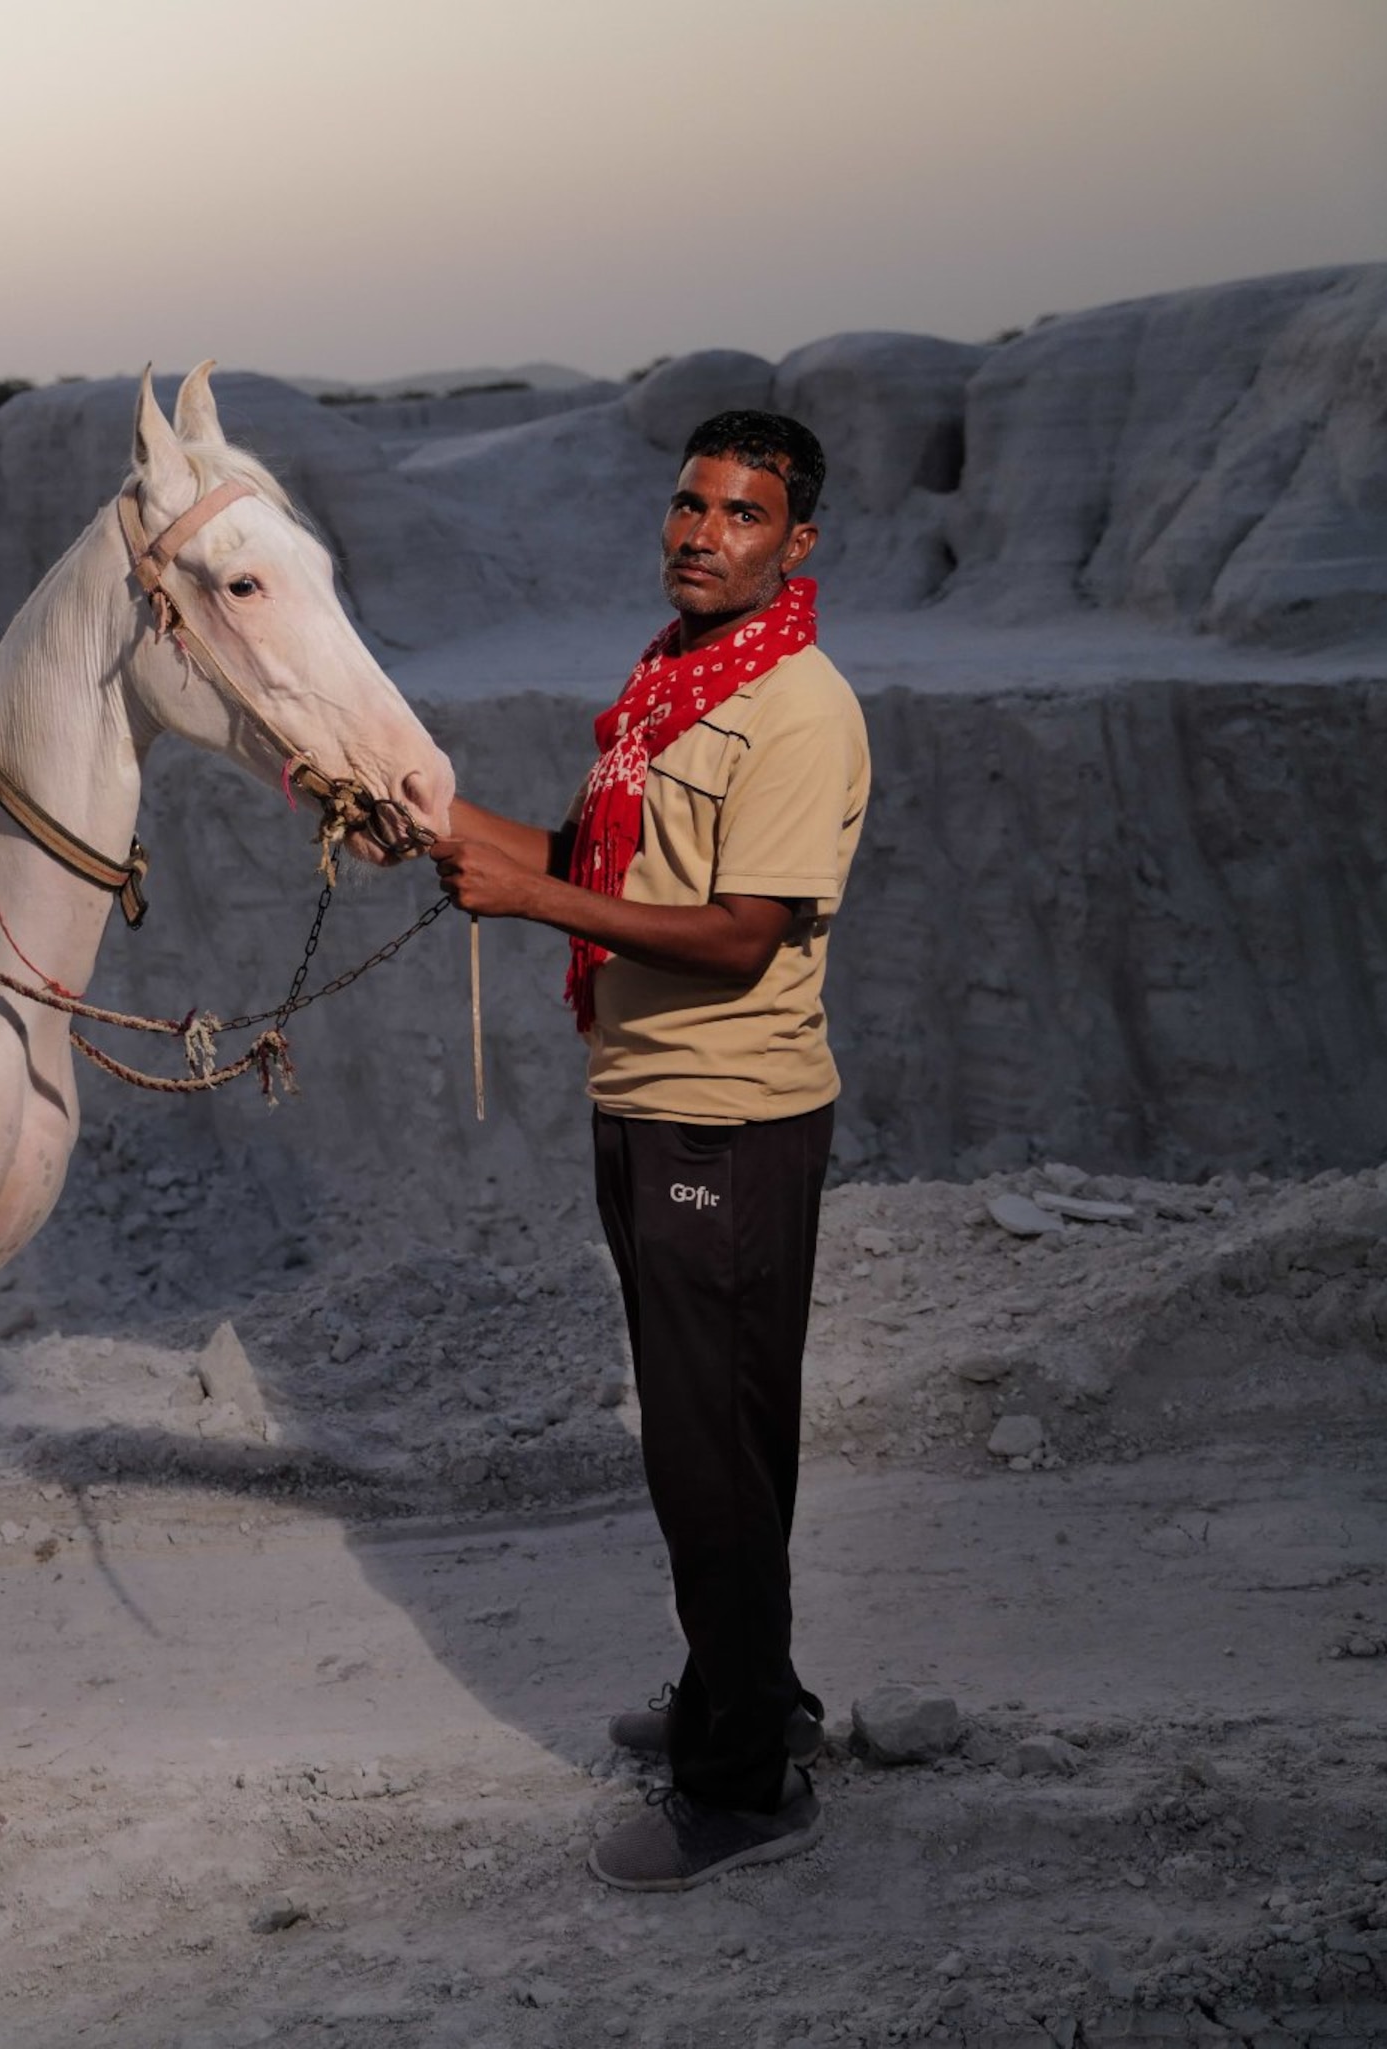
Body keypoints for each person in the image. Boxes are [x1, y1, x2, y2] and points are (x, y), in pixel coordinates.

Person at [426, 410, 870, 1891]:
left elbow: (744, 937)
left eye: (742, 516)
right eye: (689, 504)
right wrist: (427, 818)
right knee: (720, 1438)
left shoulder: (798, 709)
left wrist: (531, 906)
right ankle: (754, 1695)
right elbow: (584, 858)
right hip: (647, 1097)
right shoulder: (675, 681)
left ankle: (743, 1785)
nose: (700, 533)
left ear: (795, 543)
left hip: (727, 1120)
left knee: (710, 1454)